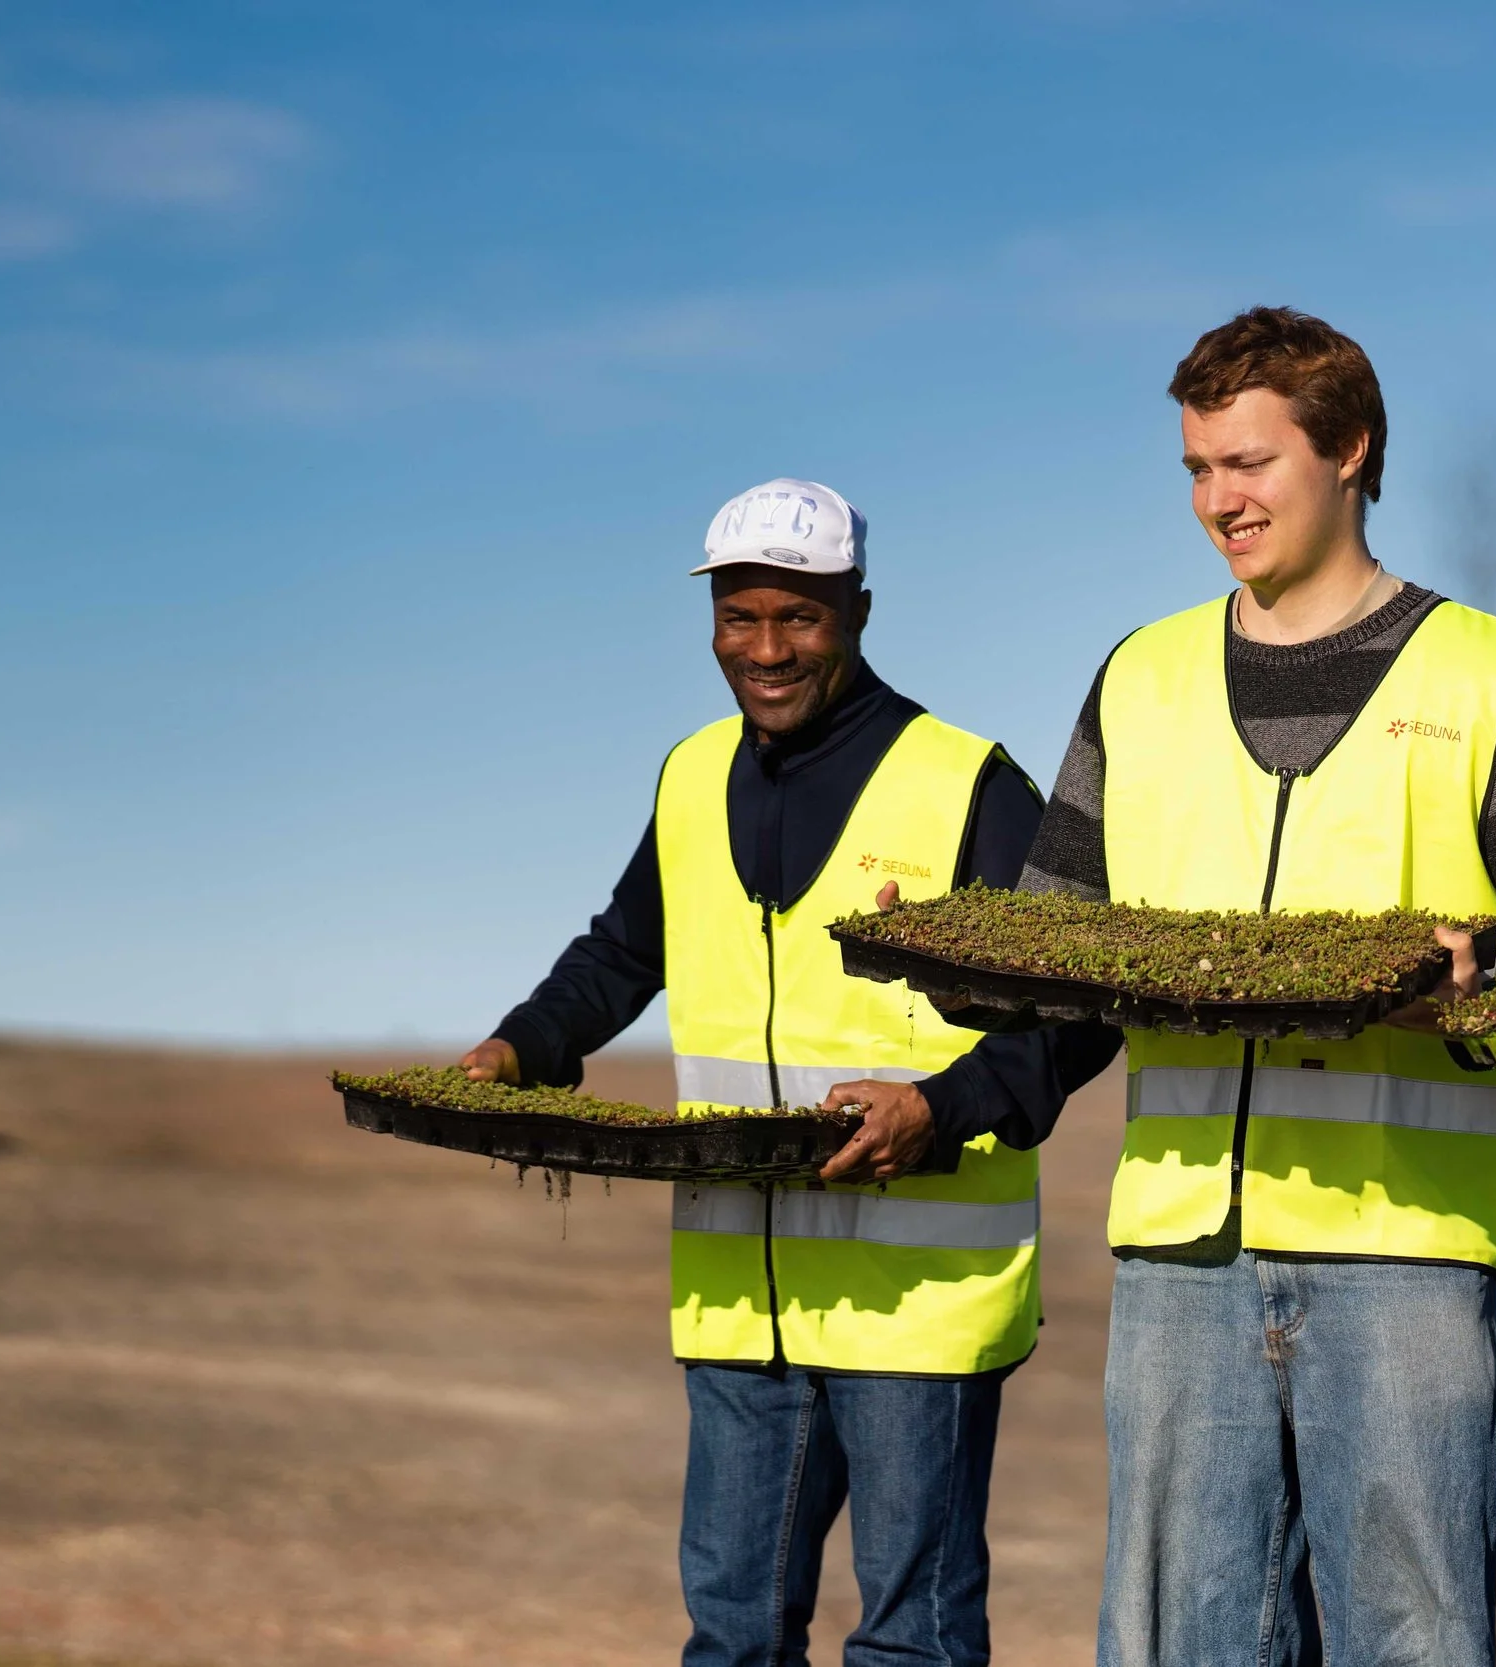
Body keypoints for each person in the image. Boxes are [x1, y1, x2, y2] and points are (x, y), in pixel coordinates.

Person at [1013, 306, 1496, 1666]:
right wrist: (943, 950)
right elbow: (1051, 948)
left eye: (1248, 461)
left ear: (1348, 449)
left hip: (1405, 1255)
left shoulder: (1491, 677)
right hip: (1179, 1254)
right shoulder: (1138, 676)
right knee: (1172, 1641)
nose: (1217, 498)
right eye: (1194, 468)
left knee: (1414, 1640)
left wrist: (1453, 995)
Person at [458, 477, 1114, 1667]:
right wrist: (520, 1047)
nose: (765, 650)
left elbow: (1079, 1007)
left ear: (856, 611)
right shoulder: (690, 775)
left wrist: (944, 1106)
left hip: (917, 1302)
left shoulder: (968, 784)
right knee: (731, 1635)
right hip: (738, 1295)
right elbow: (621, 951)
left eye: (799, 619)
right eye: (739, 618)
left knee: (910, 1642)